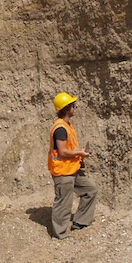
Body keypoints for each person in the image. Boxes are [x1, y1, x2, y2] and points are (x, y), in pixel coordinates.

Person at [48, 92, 98, 239]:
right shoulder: (60, 128)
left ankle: (81, 222)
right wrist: (80, 154)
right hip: (63, 172)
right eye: (72, 105)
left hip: (73, 169)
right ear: (66, 108)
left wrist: (79, 152)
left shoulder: (67, 126)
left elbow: (68, 148)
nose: (75, 107)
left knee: (91, 190)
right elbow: (62, 151)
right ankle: (60, 233)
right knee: (64, 202)